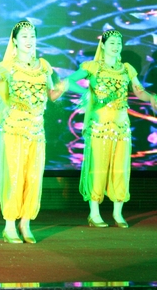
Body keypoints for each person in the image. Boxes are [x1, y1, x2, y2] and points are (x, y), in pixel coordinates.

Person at [0, 20, 66, 244]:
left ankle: (26, 223)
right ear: (15, 41)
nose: (29, 40)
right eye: (25, 36)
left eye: (32, 36)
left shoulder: (44, 66)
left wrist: (62, 88)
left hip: (37, 130)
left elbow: (51, 95)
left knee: (33, 176)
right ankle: (9, 225)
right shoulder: (6, 66)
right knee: (14, 175)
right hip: (14, 129)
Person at [65, 29, 156, 228]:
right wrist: (87, 93)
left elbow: (139, 91)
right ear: (103, 45)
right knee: (97, 168)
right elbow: (69, 81)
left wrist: (151, 97)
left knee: (120, 168)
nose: (116, 46)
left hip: (121, 126)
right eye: (112, 43)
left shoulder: (127, 69)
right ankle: (94, 213)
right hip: (99, 126)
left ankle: (117, 213)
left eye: (118, 43)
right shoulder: (93, 67)